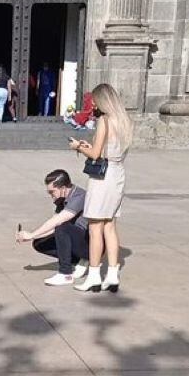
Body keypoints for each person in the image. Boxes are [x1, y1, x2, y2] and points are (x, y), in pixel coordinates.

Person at [68, 82, 132, 293]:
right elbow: (108, 151)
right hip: (118, 172)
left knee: (95, 227)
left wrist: (79, 147)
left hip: (102, 176)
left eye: (95, 101)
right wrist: (92, 148)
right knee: (110, 225)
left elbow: (96, 154)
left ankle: (94, 275)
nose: (93, 105)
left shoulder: (104, 120)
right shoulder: (124, 121)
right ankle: (112, 275)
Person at [15, 168, 89, 287]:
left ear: (63, 188)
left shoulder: (79, 196)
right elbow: (52, 227)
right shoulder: (62, 199)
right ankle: (77, 260)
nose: (51, 195)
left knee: (62, 227)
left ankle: (65, 274)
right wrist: (32, 236)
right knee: (39, 243)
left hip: (89, 243)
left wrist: (32, 234)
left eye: (52, 192)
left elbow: (58, 221)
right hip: (77, 239)